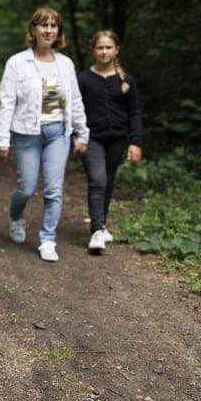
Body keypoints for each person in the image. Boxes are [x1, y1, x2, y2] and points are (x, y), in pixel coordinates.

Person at [0, 7, 89, 262]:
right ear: (33, 30)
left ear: (59, 31)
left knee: (53, 190)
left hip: (58, 133)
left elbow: (75, 101)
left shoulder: (65, 64)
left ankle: (48, 240)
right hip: (26, 134)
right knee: (26, 188)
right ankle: (16, 216)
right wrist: (2, 138)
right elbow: (7, 103)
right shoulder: (17, 63)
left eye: (53, 26)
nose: (48, 30)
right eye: (43, 25)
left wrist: (82, 133)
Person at [78, 30, 143, 252]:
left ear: (117, 50)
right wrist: (76, 136)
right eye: (100, 47)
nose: (104, 52)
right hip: (91, 138)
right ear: (93, 50)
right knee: (97, 180)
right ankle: (96, 230)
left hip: (117, 138)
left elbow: (134, 112)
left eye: (108, 47)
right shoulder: (83, 79)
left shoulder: (126, 80)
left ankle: (102, 223)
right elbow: (75, 110)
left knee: (108, 181)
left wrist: (135, 142)